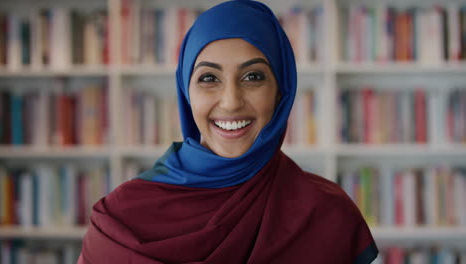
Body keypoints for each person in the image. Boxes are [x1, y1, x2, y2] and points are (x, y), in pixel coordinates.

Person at [78, 0, 378, 263]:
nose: (231, 102)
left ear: (280, 92)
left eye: (253, 77)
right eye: (209, 77)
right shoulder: (120, 218)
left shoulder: (327, 215)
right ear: (186, 91)